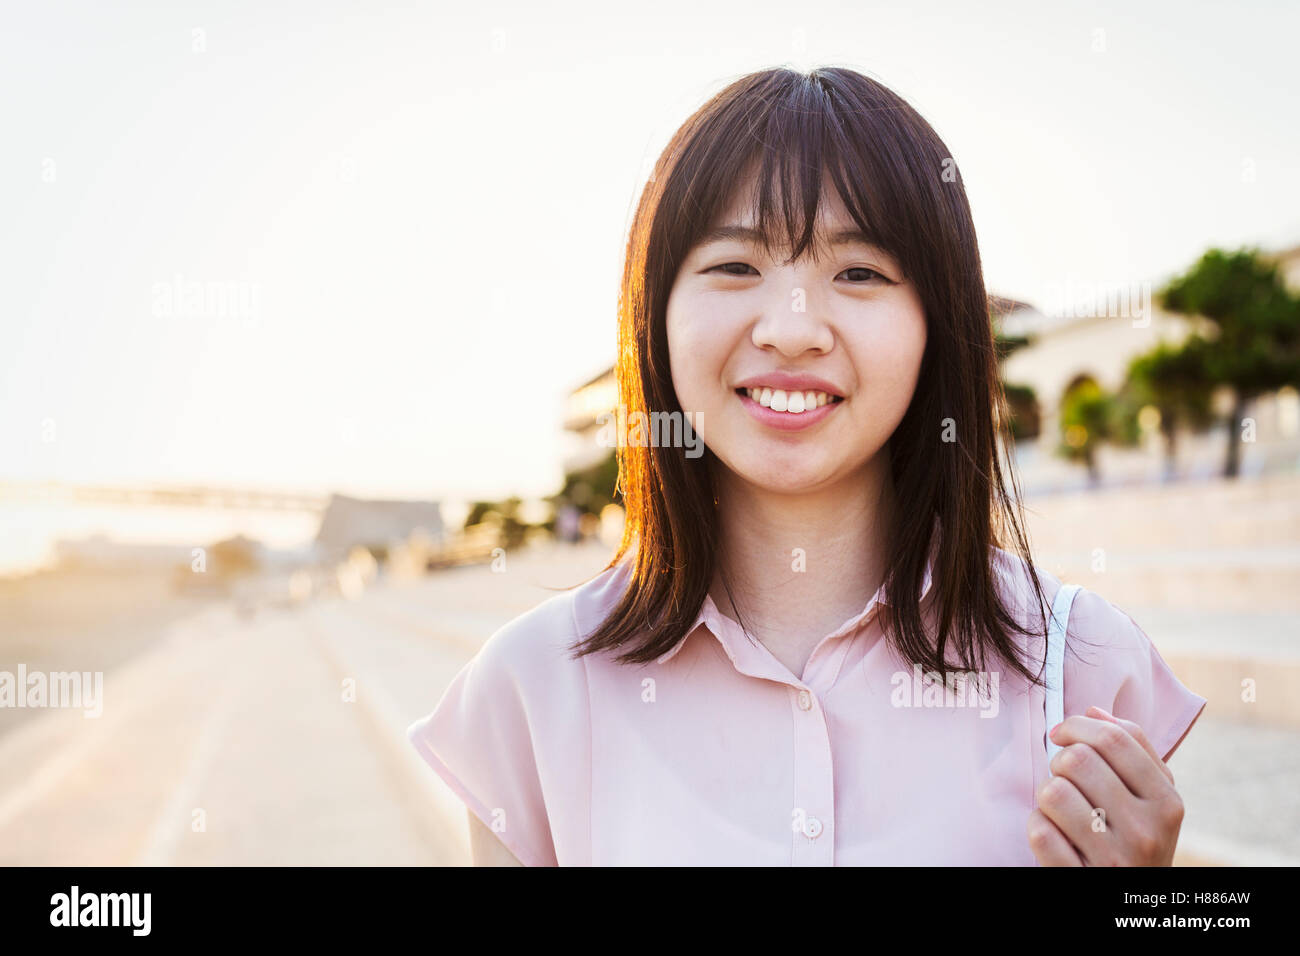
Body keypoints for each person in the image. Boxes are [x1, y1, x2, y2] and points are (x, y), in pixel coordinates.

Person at [407, 65, 1206, 866]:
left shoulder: (1083, 664)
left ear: (937, 319)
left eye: (859, 272)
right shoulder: (531, 687)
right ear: (655, 315)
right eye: (735, 267)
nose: (793, 332)